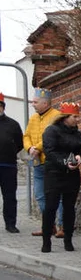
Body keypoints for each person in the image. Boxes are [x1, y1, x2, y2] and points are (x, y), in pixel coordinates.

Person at [40, 102, 81, 253]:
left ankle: (68, 239)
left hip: (72, 175)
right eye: (74, 116)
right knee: (51, 207)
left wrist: (80, 158)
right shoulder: (52, 131)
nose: (76, 119)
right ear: (65, 117)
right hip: (54, 174)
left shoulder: (77, 134)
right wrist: (65, 163)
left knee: (69, 208)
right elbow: (50, 152)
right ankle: (46, 241)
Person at [24, 88, 63, 237]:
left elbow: (51, 137)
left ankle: (61, 226)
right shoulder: (33, 118)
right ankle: (48, 225)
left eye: (35, 102)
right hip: (37, 162)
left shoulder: (56, 116)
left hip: (51, 162)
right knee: (40, 195)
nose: (33, 104)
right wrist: (29, 148)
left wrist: (37, 148)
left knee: (55, 195)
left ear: (45, 103)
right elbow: (26, 135)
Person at [0, 93, 24, 233]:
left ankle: (10, 224)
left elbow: (20, 144)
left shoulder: (13, 124)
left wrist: (10, 151)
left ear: (3, 107)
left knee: (9, 196)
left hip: (8, 165)